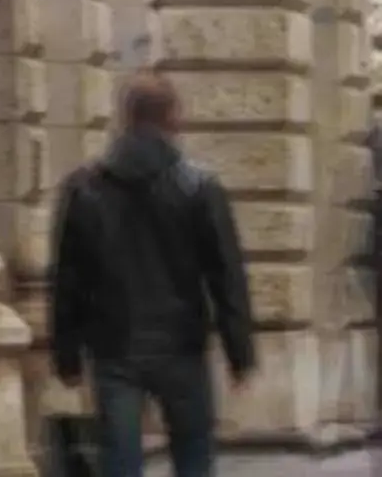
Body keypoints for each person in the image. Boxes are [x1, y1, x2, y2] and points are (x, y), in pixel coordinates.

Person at [50, 70, 256, 477]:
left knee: (119, 457)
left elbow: (68, 279)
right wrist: (239, 352)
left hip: (113, 346)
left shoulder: (83, 187)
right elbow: (226, 275)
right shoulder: (199, 187)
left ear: (125, 116)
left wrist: (67, 355)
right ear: (173, 118)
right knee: (194, 452)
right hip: (181, 344)